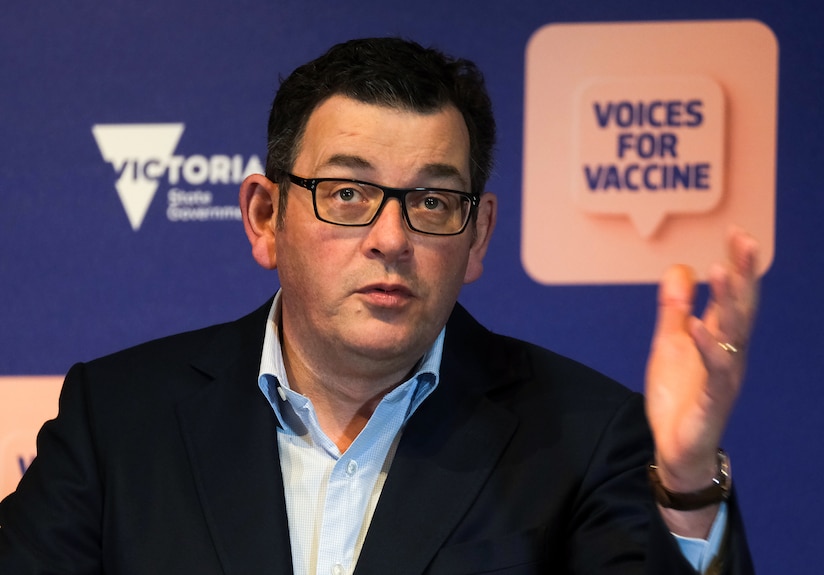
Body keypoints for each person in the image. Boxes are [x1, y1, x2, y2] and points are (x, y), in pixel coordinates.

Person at [0, 37, 759, 574]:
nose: (391, 237)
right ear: (266, 216)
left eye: (431, 200)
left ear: (479, 233)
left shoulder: (583, 434)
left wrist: (687, 478)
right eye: (349, 193)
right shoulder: (120, 418)